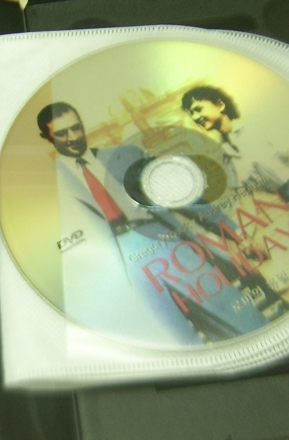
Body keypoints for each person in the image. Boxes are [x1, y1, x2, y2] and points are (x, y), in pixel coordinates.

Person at [37, 102, 269, 344]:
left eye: (76, 128)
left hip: (165, 245)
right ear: (48, 138)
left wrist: (235, 233)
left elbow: (181, 196)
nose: (73, 137)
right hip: (114, 269)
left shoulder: (126, 155)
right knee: (174, 341)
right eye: (62, 133)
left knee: (239, 316)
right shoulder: (49, 186)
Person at [181, 86, 289, 278]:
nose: (196, 117)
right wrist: (246, 237)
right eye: (191, 114)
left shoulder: (255, 127)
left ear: (220, 105)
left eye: (198, 109)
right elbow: (246, 197)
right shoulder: (227, 154)